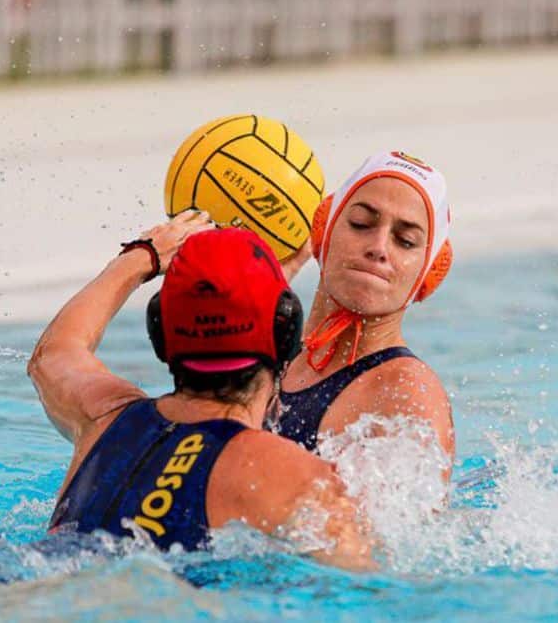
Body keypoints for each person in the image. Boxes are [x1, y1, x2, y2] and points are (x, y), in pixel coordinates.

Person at [26, 212, 373, 569]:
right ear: (286, 335)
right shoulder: (297, 477)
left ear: (159, 333)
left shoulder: (103, 419)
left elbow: (54, 353)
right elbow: (366, 592)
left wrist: (140, 257)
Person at [271, 151, 456, 478]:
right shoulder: (269, 346)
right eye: (361, 223)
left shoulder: (406, 396)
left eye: (406, 241)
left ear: (427, 275)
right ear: (323, 232)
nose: (379, 247)